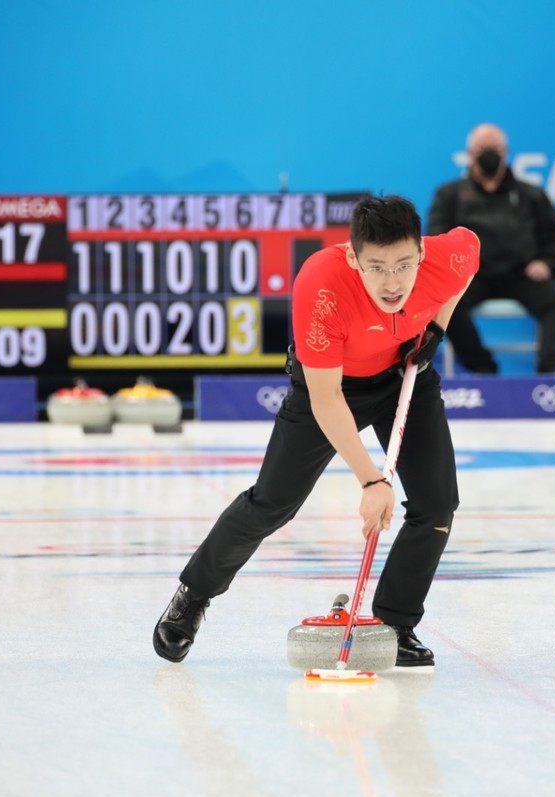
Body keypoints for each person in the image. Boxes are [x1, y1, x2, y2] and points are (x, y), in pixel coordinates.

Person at [153, 195, 480, 669]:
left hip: (403, 374)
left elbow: (469, 254)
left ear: (421, 254)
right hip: (331, 386)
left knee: (437, 504)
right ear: (354, 259)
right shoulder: (322, 285)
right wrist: (371, 480)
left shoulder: (446, 258)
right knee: (273, 502)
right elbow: (327, 399)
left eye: (404, 266)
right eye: (376, 268)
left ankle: (395, 625)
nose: (392, 283)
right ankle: (194, 593)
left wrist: (436, 328)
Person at [427, 123, 555, 374]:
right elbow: (436, 239)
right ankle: (483, 369)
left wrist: (547, 262)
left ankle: (551, 377)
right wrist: (458, 269)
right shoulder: (449, 194)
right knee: (443, 302)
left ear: (506, 152)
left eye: (494, 148)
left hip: (522, 275)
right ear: (469, 154)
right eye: (482, 148)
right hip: (472, 277)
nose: (489, 154)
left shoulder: (531, 194)